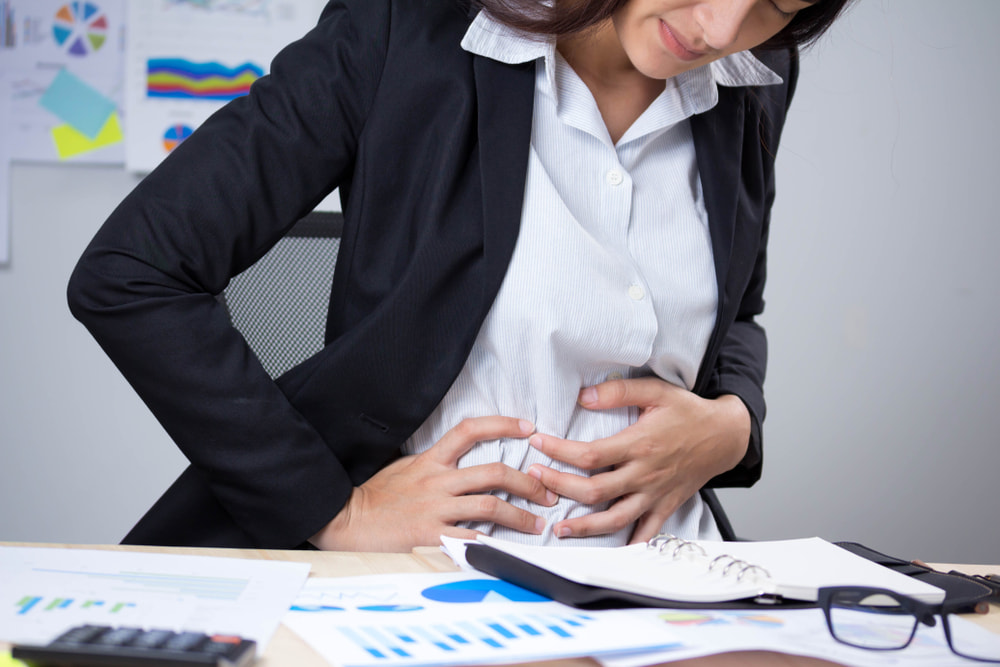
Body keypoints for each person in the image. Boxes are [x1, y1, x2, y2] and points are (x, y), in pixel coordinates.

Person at [67, 0, 853, 551]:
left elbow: (737, 311)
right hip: (436, 586)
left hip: (668, 585)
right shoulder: (405, 28)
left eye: (779, 2)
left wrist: (731, 424)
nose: (723, 26)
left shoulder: (752, 75)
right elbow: (134, 270)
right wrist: (338, 510)